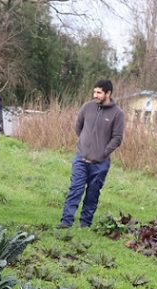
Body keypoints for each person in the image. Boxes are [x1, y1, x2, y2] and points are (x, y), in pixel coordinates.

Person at [57, 79, 125, 229]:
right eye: (94, 92)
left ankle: (85, 224)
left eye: (99, 92)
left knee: (92, 194)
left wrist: (103, 152)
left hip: (100, 163)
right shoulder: (87, 107)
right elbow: (78, 127)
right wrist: (84, 143)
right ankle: (66, 221)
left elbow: (117, 138)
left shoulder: (117, 114)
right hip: (81, 158)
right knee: (75, 189)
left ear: (108, 93)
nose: (95, 95)